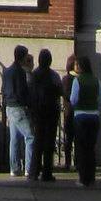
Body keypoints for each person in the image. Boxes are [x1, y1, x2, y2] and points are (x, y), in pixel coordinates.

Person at [68, 53, 101, 188]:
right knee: (91, 148)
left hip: (81, 116)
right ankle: (92, 177)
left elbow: (73, 99)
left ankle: (83, 179)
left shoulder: (78, 80)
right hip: (94, 116)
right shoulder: (96, 80)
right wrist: (94, 103)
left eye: (78, 65)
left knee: (82, 149)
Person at [29, 48, 62, 183]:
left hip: (38, 112)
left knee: (38, 142)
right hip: (51, 112)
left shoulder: (34, 75)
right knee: (49, 144)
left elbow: (30, 93)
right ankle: (47, 173)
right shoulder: (54, 76)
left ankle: (34, 172)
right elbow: (60, 90)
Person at [3, 43, 34, 178]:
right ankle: (29, 168)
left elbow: (4, 89)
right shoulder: (20, 72)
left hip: (9, 106)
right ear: (22, 56)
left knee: (14, 138)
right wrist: (28, 103)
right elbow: (22, 91)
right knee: (30, 136)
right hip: (19, 107)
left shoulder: (7, 70)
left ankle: (14, 168)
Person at [61, 50, 79, 169]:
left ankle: (77, 161)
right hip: (70, 112)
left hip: (76, 112)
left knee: (77, 139)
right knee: (69, 138)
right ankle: (68, 162)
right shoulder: (67, 79)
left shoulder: (80, 78)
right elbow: (65, 94)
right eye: (77, 64)